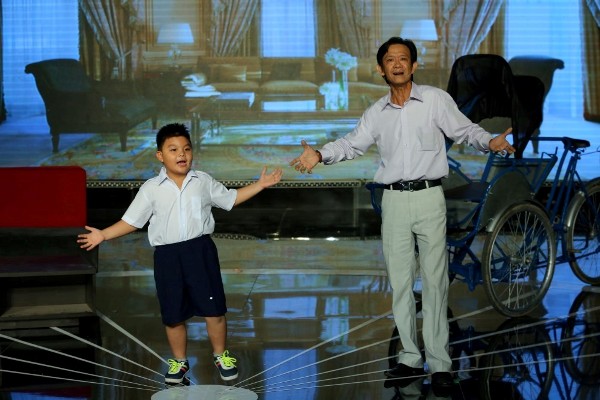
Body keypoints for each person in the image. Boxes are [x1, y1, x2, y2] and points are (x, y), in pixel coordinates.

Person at [290, 37, 515, 391]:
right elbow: (351, 144)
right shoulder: (376, 112)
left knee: (436, 283)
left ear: (413, 66)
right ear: (381, 69)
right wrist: (319, 154)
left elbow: (464, 129)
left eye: (403, 59)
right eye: (390, 60)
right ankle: (410, 358)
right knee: (401, 284)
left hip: (429, 198)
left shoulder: (435, 100)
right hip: (393, 201)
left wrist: (489, 141)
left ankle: (440, 365)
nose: (397, 64)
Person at [78, 123, 283, 385]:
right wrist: (103, 235)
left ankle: (221, 355)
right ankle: (179, 361)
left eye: (186, 148)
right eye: (173, 149)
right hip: (168, 257)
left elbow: (230, 199)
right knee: (173, 314)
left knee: (214, 310)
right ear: (160, 155)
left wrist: (260, 185)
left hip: (200, 252)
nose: (181, 154)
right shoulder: (151, 188)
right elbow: (132, 221)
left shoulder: (203, 181)